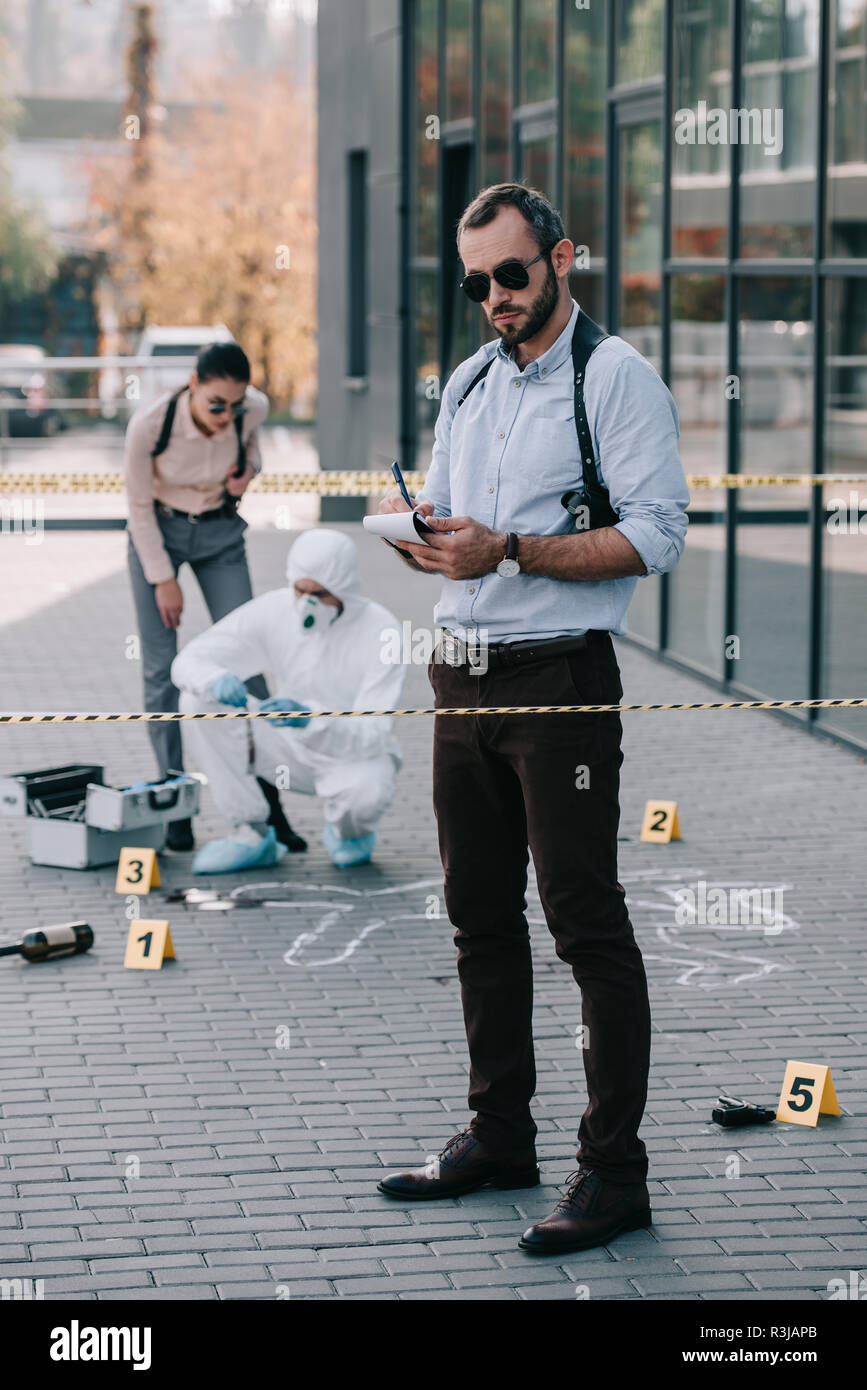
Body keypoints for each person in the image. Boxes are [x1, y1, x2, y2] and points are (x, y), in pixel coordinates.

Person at [375, 183, 690, 1255]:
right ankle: (501, 1134)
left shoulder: (617, 377)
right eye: (477, 283)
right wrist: (433, 540)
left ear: (562, 258)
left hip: (558, 681)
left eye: (513, 273)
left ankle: (614, 1173)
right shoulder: (469, 380)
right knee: (477, 916)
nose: (496, 298)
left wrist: (506, 550)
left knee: (584, 922)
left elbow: (655, 536)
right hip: (460, 669)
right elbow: (463, 524)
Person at [124, 340, 301, 853]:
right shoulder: (149, 426)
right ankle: (174, 800)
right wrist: (162, 577)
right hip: (158, 534)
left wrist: (250, 470)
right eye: (216, 404)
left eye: (235, 404)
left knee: (249, 666)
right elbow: (136, 507)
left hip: (221, 535)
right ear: (193, 386)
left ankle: (273, 805)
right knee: (162, 671)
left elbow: (253, 452)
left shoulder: (251, 409)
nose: (227, 415)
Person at [170, 528, 406, 873]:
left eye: (320, 594)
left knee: (368, 790)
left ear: (345, 590)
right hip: (283, 745)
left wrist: (312, 718)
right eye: (300, 590)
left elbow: (374, 732)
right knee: (197, 702)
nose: (307, 603)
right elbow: (190, 661)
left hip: (348, 755)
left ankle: (350, 834)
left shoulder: (380, 631)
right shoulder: (276, 609)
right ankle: (250, 832)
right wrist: (213, 678)